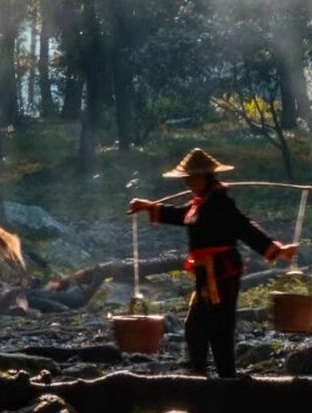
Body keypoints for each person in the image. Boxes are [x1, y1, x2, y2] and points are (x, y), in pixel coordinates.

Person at [127, 148, 297, 378]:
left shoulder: (222, 204)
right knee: (196, 326)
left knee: (220, 328)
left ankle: (226, 378)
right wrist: (148, 206)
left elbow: (245, 228)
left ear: (203, 178)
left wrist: (276, 250)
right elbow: (181, 215)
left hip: (222, 273)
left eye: (190, 178)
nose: (187, 182)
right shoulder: (199, 203)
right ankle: (200, 372)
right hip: (205, 275)